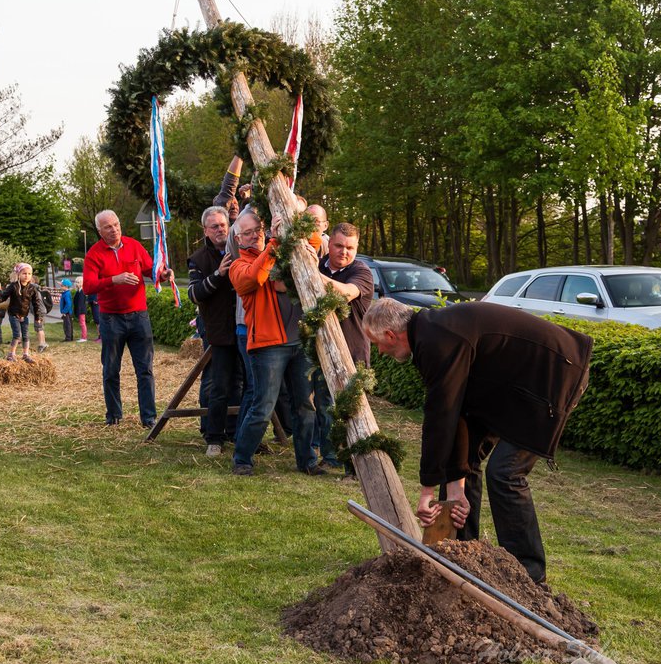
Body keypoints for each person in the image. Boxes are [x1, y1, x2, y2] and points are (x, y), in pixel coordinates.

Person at [363, 297, 593, 583]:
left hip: (554, 375)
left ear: (390, 335)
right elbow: (458, 412)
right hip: (510, 388)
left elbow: (441, 416)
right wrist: (455, 485)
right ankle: (460, 556)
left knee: (505, 473)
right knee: (462, 467)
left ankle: (528, 577)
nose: (380, 352)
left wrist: (427, 490)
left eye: (377, 344)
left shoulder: (437, 339)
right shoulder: (430, 333)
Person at [228, 212, 319, 476]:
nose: (255, 234)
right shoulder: (238, 266)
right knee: (263, 406)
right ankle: (242, 458)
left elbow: (314, 240)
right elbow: (256, 277)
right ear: (237, 238)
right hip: (268, 346)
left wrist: (292, 217)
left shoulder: (279, 250)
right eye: (248, 232)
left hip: (298, 341)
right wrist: (273, 243)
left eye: (258, 229)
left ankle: (307, 460)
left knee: (305, 404)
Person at [82, 209, 174, 428]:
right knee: (111, 369)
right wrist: (114, 279)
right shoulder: (94, 254)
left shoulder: (134, 246)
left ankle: (149, 418)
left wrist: (162, 274)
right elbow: (88, 287)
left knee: (145, 369)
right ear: (99, 231)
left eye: (116, 224)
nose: (114, 230)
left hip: (139, 316)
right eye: (108, 227)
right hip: (111, 318)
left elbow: (150, 270)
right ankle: (114, 415)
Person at [312, 222, 374, 469]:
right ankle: (330, 458)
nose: (344, 252)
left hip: (353, 352)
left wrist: (309, 273)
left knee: (353, 410)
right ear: (330, 244)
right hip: (321, 351)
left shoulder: (361, 271)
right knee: (325, 407)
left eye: (350, 247)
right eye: (339, 246)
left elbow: (347, 293)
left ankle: (355, 465)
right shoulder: (319, 264)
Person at [188, 206, 244, 456]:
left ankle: (238, 434)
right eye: (214, 226)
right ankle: (214, 438)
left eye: (223, 225)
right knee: (218, 387)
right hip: (219, 332)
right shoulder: (198, 258)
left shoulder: (242, 250)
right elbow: (194, 294)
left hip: (245, 329)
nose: (220, 230)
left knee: (242, 386)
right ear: (205, 231)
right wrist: (218, 274)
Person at [0, 263, 44, 362]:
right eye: (24, 273)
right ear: (19, 274)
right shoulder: (13, 286)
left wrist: (38, 317)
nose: (27, 275)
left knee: (25, 335)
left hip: (24, 316)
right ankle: (11, 354)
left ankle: (25, 354)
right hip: (14, 315)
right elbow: (3, 297)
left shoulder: (32, 288)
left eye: (29, 273)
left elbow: (36, 304)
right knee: (17, 335)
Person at [73, 277, 88, 341]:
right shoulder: (78, 291)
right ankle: (83, 336)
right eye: (76, 282)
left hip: (81, 310)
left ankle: (84, 337)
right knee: (82, 323)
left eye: (78, 282)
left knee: (82, 323)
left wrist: (78, 312)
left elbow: (80, 303)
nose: (76, 284)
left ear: (82, 283)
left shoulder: (82, 292)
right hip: (80, 310)